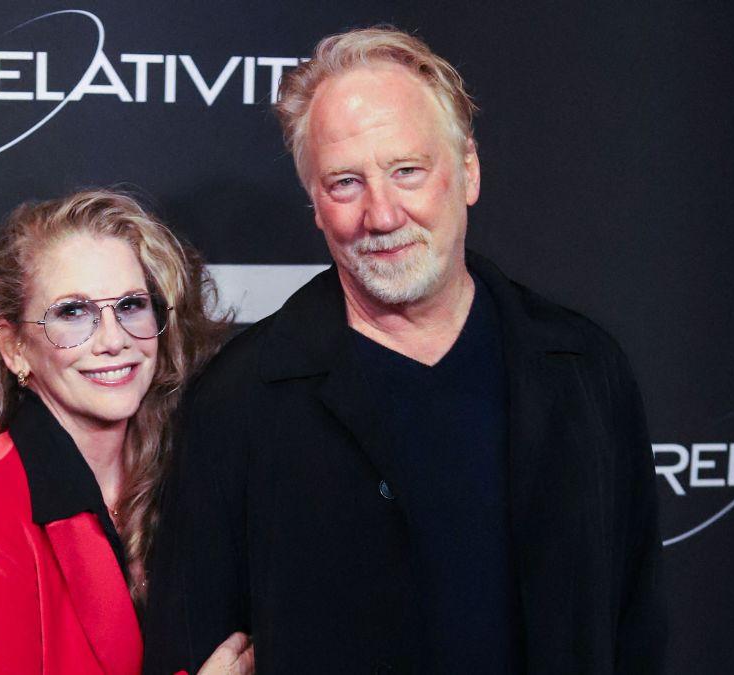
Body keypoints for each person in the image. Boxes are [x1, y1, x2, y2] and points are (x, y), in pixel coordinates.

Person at [144, 27, 665, 674]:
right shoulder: (238, 400)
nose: (383, 214)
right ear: (315, 205)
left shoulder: (584, 370)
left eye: (407, 171)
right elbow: (192, 645)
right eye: (345, 183)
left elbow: (636, 626)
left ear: (468, 170)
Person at [0, 190, 253, 674]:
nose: (114, 339)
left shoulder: (196, 471)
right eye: (72, 312)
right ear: (13, 348)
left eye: (130, 305)